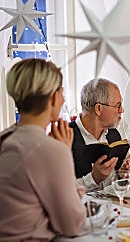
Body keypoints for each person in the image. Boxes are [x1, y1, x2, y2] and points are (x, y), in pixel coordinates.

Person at [0, 58, 86, 240]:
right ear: (54, 97)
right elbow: (73, 225)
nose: (63, 99)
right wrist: (64, 154)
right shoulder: (50, 150)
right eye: (62, 93)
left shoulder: (6, 137)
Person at [70, 78, 126, 192]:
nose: (122, 110)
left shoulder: (114, 135)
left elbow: (116, 186)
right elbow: (59, 192)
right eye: (118, 105)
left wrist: (122, 174)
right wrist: (93, 179)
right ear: (99, 108)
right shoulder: (65, 137)